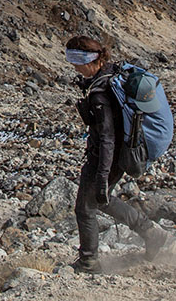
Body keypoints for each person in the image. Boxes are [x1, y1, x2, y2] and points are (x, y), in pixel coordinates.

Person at [66, 35, 169, 273]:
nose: (73, 66)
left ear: (91, 59)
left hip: (107, 156)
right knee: (98, 200)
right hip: (119, 152)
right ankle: (151, 234)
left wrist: (102, 175)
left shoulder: (101, 93)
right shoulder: (113, 73)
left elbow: (107, 138)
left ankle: (89, 261)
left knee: (86, 206)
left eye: (76, 60)